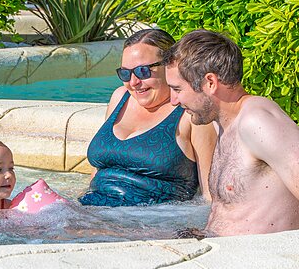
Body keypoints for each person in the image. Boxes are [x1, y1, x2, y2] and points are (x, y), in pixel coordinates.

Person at [163, 30, 299, 236]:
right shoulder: (224, 125)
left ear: (210, 83)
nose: (173, 100)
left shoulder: (258, 122)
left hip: (261, 263)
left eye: (177, 89)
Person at [81, 28, 217, 207]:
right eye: (125, 73)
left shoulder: (191, 114)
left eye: (143, 71)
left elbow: (210, 196)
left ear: (170, 66)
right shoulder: (120, 98)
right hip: (93, 210)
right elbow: (99, 170)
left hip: (146, 222)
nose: (133, 82)